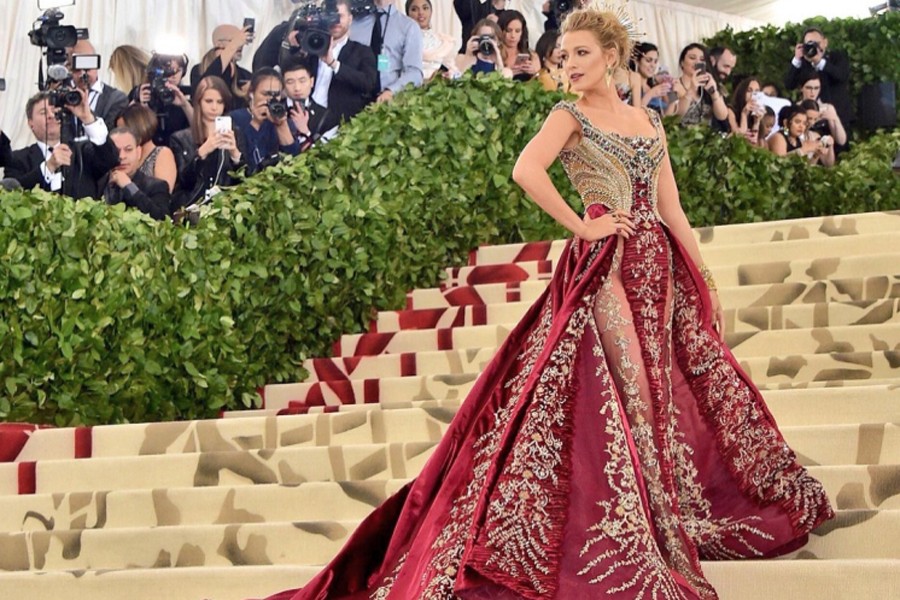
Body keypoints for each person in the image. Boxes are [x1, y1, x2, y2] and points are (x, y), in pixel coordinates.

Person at [260, 6, 834, 600]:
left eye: (582, 53)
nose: (571, 64)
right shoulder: (568, 115)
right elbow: (525, 170)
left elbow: (673, 211)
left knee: (659, 396)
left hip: (657, 269)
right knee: (633, 395)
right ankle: (644, 537)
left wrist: (703, 280)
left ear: (611, 56)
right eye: (564, 56)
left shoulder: (648, 121)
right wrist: (581, 226)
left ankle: (662, 520)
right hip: (606, 269)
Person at [6, 91, 118, 200]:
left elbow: (110, 160)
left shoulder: (83, 151)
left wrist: (87, 118)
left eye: (55, 111)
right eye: (43, 112)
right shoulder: (16, 159)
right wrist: (48, 167)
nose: (51, 115)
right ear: (31, 123)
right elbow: (12, 194)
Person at [169, 76, 245, 210]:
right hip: (193, 207)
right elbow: (185, 182)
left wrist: (235, 155)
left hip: (226, 206)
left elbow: (245, 180)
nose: (214, 107)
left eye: (220, 102)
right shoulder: (180, 138)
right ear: (199, 102)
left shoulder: (235, 133)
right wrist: (202, 152)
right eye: (209, 101)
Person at [305, 0, 379, 135]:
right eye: (332, 15)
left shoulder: (362, 51)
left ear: (350, 19)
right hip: (306, 119)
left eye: (341, 16)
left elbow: (368, 83)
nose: (336, 20)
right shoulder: (312, 47)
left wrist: (334, 64)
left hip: (340, 125)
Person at [784, 26, 852, 138]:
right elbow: (789, 84)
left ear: (825, 42)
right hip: (810, 121)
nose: (814, 47)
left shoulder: (837, 57)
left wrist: (819, 62)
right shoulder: (802, 63)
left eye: (817, 43)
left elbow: (842, 76)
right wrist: (796, 59)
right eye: (809, 43)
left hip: (838, 116)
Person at [350, 0, 424, 103]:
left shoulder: (408, 26)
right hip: (352, 97)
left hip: (387, 102)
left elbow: (415, 72)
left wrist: (391, 91)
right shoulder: (352, 22)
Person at [229, 68, 301, 174]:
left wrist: (282, 125)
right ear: (251, 93)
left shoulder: (286, 121)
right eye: (265, 94)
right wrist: (255, 123)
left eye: (276, 94)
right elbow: (244, 163)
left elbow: (294, 160)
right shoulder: (236, 118)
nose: (270, 99)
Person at [99, 127, 171, 220]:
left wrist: (129, 187)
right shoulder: (97, 183)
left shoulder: (157, 186)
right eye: (115, 151)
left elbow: (162, 220)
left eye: (128, 150)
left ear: (138, 152)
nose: (121, 156)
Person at [131, 53, 193, 146]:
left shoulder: (185, 95)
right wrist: (137, 104)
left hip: (177, 151)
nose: (173, 75)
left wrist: (185, 104)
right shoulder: (142, 92)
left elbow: (198, 130)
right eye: (169, 69)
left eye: (178, 70)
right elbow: (124, 127)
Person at [116, 104, 178, 192]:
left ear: (139, 127)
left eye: (124, 130)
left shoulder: (162, 154)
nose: (120, 135)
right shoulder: (121, 155)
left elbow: (163, 195)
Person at [70, 39, 130, 130]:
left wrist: (87, 116)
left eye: (87, 65)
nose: (82, 73)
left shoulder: (116, 98)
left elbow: (110, 134)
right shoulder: (62, 95)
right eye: (77, 68)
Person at [190, 24, 252, 107]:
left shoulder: (245, 75)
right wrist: (233, 46)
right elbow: (202, 89)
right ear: (218, 43)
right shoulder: (199, 69)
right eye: (233, 40)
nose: (240, 45)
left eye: (241, 41)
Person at [668, 43, 728, 127]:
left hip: (707, 137)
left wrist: (714, 92)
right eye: (692, 58)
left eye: (702, 59)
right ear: (682, 62)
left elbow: (722, 116)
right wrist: (691, 90)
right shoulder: (672, 86)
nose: (697, 62)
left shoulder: (709, 83)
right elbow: (672, 117)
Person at [281, 60, 329, 147]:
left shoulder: (324, 115)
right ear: (283, 85)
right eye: (290, 82)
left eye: (302, 81)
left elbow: (325, 153)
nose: (297, 88)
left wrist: (306, 132)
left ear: (311, 82)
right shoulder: (276, 110)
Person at [407, 0, 457, 81]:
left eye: (425, 8)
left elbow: (453, 70)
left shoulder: (444, 41)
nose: (421, 13)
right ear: (408, 14)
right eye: (414, 9)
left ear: (431, 11)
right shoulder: (403, 41)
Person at [797, 73, 847, 148]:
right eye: (808, 88)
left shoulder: (827, 108)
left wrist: (835, 119)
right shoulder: (795, 107)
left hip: (825, 151)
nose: (812, 92)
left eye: (816, 88)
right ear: (801, 88)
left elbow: (841, 141)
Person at [497, 10, 539, 82]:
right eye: (509, 30)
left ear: (522, 32)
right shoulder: (494, 54)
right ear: (501, 30)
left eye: (517, 31)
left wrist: (534, 73)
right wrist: (507, 74)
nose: (513, 36)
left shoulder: (532, 56)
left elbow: (541, 83)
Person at [631, 42, 672, 113]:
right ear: (637, 61)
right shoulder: (631, 85)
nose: (653, 65)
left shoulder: (655, 85)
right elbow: (635, 113)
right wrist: (650, 94)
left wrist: (673, 91)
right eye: (648, 60)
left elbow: (668, 115)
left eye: (655, 61)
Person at [727, 77, 766, 146]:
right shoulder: (731, 110)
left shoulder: (756, 114)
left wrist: (756, 122)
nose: (753, 95)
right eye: (749, 91)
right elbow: (737, 138)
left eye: (756, 92)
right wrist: (744, 114)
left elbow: (755, 144)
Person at [798, 99, 836, 167]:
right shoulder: (790, 134)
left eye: (815, 119)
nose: (812, 122)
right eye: (809, 118)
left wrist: (830, 146)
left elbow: (828, 164)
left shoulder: (815, 136)